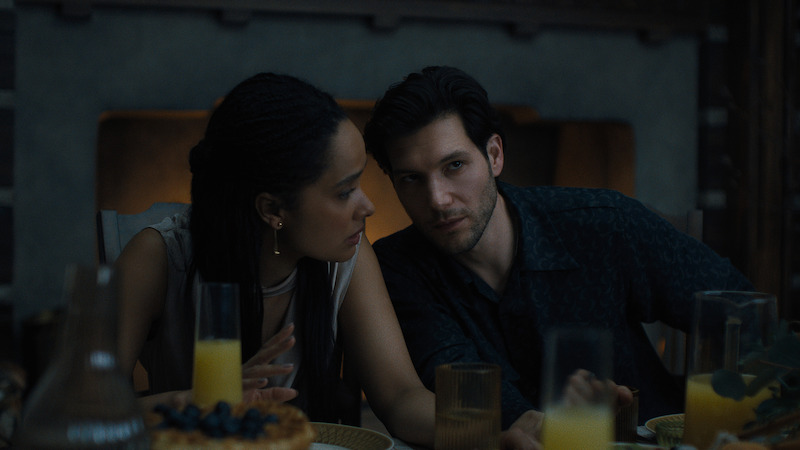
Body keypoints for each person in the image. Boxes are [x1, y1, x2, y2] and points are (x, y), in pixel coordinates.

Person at [362, 66, 754, 436]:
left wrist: (714, 419)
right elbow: (467, 391)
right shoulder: (398, 269)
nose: (437, 199)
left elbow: (745, 316)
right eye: (412, 179)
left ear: (494, 155)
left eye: (454, 165)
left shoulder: (603, 223)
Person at [113, 73, 447, 446]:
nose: (367, 207)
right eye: (344, 192)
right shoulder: (158, 258)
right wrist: (195, 402)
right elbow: (80, 408)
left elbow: (402, 396)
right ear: (273, 209)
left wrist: (487, 433)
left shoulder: (347, 256)